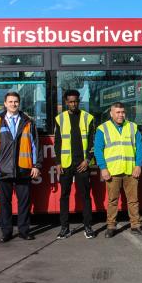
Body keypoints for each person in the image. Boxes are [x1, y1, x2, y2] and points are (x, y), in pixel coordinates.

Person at [0, 92, 42, 243]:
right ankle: (6, 232)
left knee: (24, 202)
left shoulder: (28, 121)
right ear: (5, 103)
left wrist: (36, 165)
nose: (13, 104)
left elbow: (35, 145)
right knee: (5, 203)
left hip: (23, 168)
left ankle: (24, 231)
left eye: (16, 101)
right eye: (10, 101)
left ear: (19, 103)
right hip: (3, 169)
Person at [94, 102, 142, 237]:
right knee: (112, 200)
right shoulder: (102, 129)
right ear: (111, 113)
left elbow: (139, 148)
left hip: (131, 170)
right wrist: (103, 168)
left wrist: (138, 165)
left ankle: (135, 225)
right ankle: (111, 226)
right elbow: (98, 151)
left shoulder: (132, 127)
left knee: (133, 200)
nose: (120, 115)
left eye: (122, 112)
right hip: (112, 171)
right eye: (117, 112)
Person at [54, 89, 96, 239]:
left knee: (85, 196)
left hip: (82, 164)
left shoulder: (88, 118)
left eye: (76, 101)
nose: (73, 104)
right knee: (64, 196)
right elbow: (57, 143)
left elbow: (93, 142)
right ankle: (64, 228)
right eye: (70, 101)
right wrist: (58, 162)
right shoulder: (60, 119)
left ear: (79, 101)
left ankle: (88, 227)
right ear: (66, 102)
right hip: (65, 164)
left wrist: (87, 160)